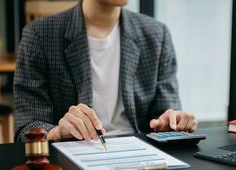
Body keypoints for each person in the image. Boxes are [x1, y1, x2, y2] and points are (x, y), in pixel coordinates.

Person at [14, 0, 198, 142]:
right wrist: (57, 132)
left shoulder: (157, 34)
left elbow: (165, 111)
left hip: (141, 155)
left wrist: (172, 122)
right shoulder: (40, 36)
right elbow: (27, 128)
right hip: (74, 156)